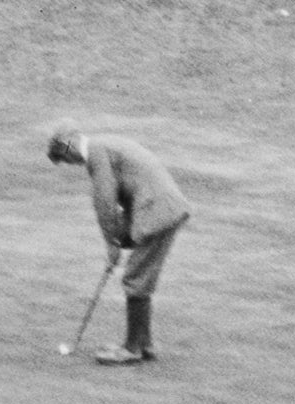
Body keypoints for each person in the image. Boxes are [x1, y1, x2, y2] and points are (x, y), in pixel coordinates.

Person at [44, 125, 188, 364]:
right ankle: (144, 343)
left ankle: (132, 348)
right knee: (140, 277)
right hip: (164, 208)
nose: (74, 164)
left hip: (157, 211)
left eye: (66, 159)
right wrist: (121, 238)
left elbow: (105, 200)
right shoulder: (106, 144)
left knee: (135, 279)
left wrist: (111, 245)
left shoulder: (96, 154)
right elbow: (129, 190)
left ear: (67, 148)